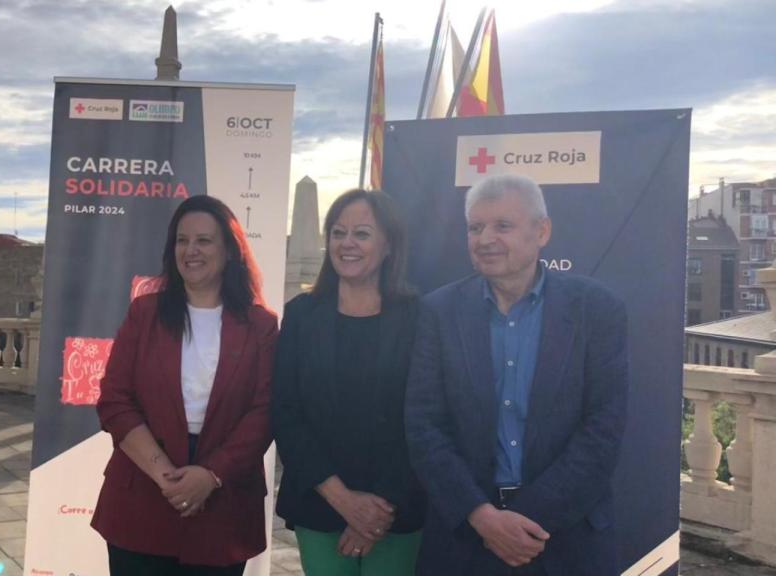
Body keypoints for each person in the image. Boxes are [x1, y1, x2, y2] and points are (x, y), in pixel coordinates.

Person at [405, 174, 629, 576]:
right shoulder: (438, 312)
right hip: (464, 542)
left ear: (541, 231)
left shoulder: (595, 310)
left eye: (502, 226)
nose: (485, 238)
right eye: (475, 227)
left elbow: (603, 430)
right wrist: (483, 517)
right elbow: (424, 426)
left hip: (565, 540)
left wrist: (522, 521)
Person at [92, 195, 278, 575]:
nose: (190, 250)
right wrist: (166, 476)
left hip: (224, 501)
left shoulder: (261, 325)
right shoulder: (144, 313)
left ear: (230, 250)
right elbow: (115, 400)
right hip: (144, 490)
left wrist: (210, 475)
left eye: (204, 240)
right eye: (182, 240)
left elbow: (266, 411)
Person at [272, 189, 425, 576]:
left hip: (397, 510)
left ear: (389, 244)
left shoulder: (420, 318)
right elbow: (285, 412)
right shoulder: (302, 316)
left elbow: (425, 418)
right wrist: (343, 500)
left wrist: (377, 510)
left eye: (362, 233)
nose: (347, 243)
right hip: (319, 503)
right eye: (338, 232)